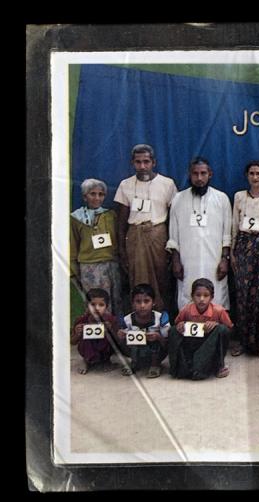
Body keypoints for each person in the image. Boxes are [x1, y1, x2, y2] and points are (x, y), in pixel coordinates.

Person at [114, 144, 178, 312]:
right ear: (132, 163)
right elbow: (121, 222)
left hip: (158, 234)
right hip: (135, 235)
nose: (142, 166)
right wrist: (121, 250)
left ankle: (162, 319)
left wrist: (172, 246)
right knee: (137, 278)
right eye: (138, 162)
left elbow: (173, 218)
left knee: (162, 278)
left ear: (153, 162)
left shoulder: (167, 184)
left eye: (146, 162)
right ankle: (139, 319)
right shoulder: (125, 185)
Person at [166, 156, 232, 310]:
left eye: (203, 173)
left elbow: (227, 235)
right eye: (195, 174)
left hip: (214, 261)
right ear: (190, 175)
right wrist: (175, 261)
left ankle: (216, 330)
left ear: (210, 174)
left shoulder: (221, 199)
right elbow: (173, 234)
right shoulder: (178, 199)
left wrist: (225, 259)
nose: (199, 178)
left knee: (216, 300)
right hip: (187, 261)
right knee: (187, 298)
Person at [230, 160, 259, 356]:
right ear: (247, 175)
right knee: (243, 295)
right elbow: (234, 225)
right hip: (243, 247)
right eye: (252, 173)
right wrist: (232, 252)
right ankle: (243, 341)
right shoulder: (239, 197)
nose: (255, 177)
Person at [70, 178, 123, 314]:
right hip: (89, 266)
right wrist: (73, 269)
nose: (97, 198)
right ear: (84, 196)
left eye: (101, 194)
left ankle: (113, 330)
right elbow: (73, 245)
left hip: (111, 264)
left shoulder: (110, 215)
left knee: (114, 299)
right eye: (92, 194)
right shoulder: (76, 218)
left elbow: (117, 239)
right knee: (95, 301)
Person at [169, 278, 233, 380]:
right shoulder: (186, 310)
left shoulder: (219, 311)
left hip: (210, 344)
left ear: (211, 297)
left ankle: (219, 365)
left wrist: (216, 325)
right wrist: (180, 325)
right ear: (192, 297)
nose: (202, 299)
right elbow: (176, 325)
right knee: (172, 330)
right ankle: (178, 365)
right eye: (198, 295)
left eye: (206, 295)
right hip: (191, 343)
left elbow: (229, 329)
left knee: (222, 329)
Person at [116, 283, 170, 378]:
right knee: (128, 340)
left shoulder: (160, 318)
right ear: (132, 303)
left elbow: (168, 342)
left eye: (146, 301)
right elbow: (122, 344)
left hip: (157, 352)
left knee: (155, 341)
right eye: (138, 301)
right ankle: (134, 363)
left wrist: (158, 337)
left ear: (153, 302)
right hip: (136, 351)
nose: (142, 305)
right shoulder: (127, 320)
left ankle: (155, 365)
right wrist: (121, 336)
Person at [70, 288, 121, 374]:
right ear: (86, 306)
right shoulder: (81, 320)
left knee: (109, 339)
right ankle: (86, 360)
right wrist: (77, 333)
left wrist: (111, 330)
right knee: (86, 339)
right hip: (87, 347)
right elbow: (72, 342)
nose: (97, 308)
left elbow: (119, 341)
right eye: (93, 304)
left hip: (105, 349)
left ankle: (106, 361)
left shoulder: (111, 320)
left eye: (101, 305)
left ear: (106, 307)